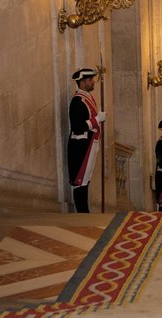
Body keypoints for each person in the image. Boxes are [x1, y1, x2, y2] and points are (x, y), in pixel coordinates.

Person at [67, 68, 106, 213]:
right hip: (81, 146)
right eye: (90, 80)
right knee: (80, 181)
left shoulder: (88, 99)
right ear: (82, 82)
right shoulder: (78, 101)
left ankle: (84, 211)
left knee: (86, 179)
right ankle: (82, 212)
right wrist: (96, 120)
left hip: (90, 144)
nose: (93, 82)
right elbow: (78, 127)